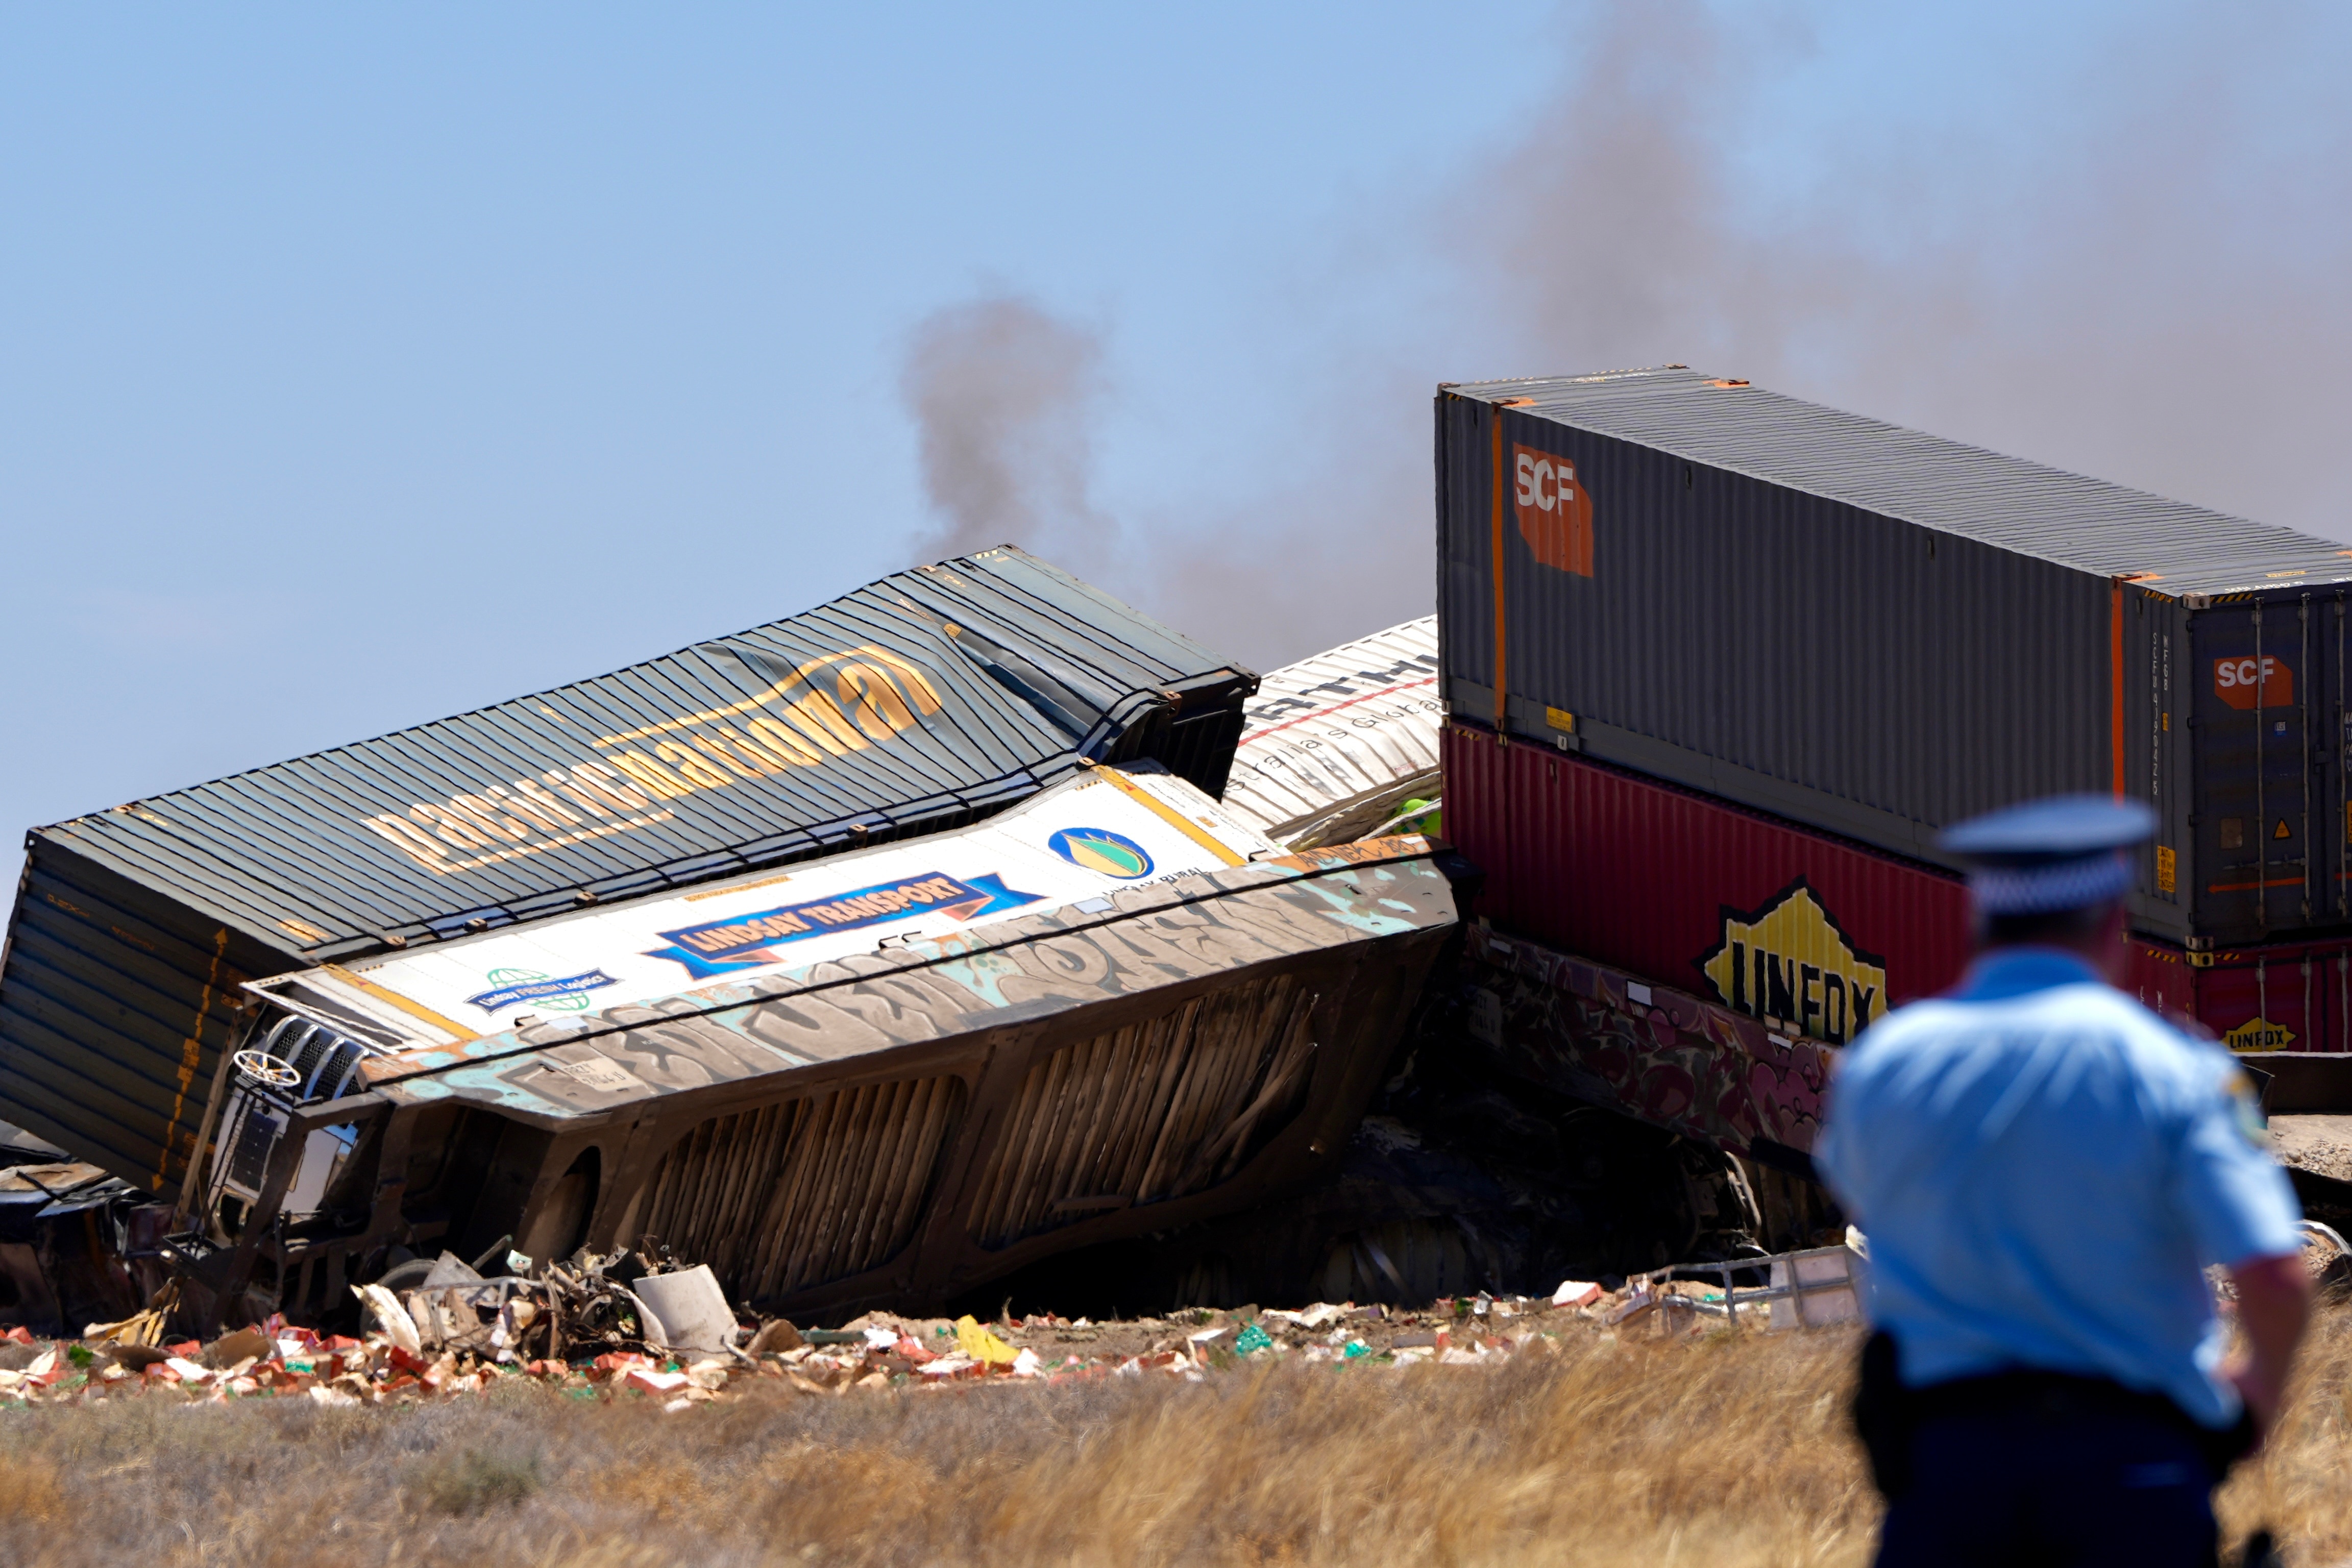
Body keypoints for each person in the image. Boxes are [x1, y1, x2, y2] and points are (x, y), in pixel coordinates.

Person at [1814, 794, 2311, 1567]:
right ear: (2114, 924)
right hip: (2132, 1476)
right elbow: (2277, 1276)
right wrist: (2252, 1404)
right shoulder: (2177, 1071)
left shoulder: (1882, 1065)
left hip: (1949, 1478)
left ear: (1980, 923)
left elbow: (1866, 1206)